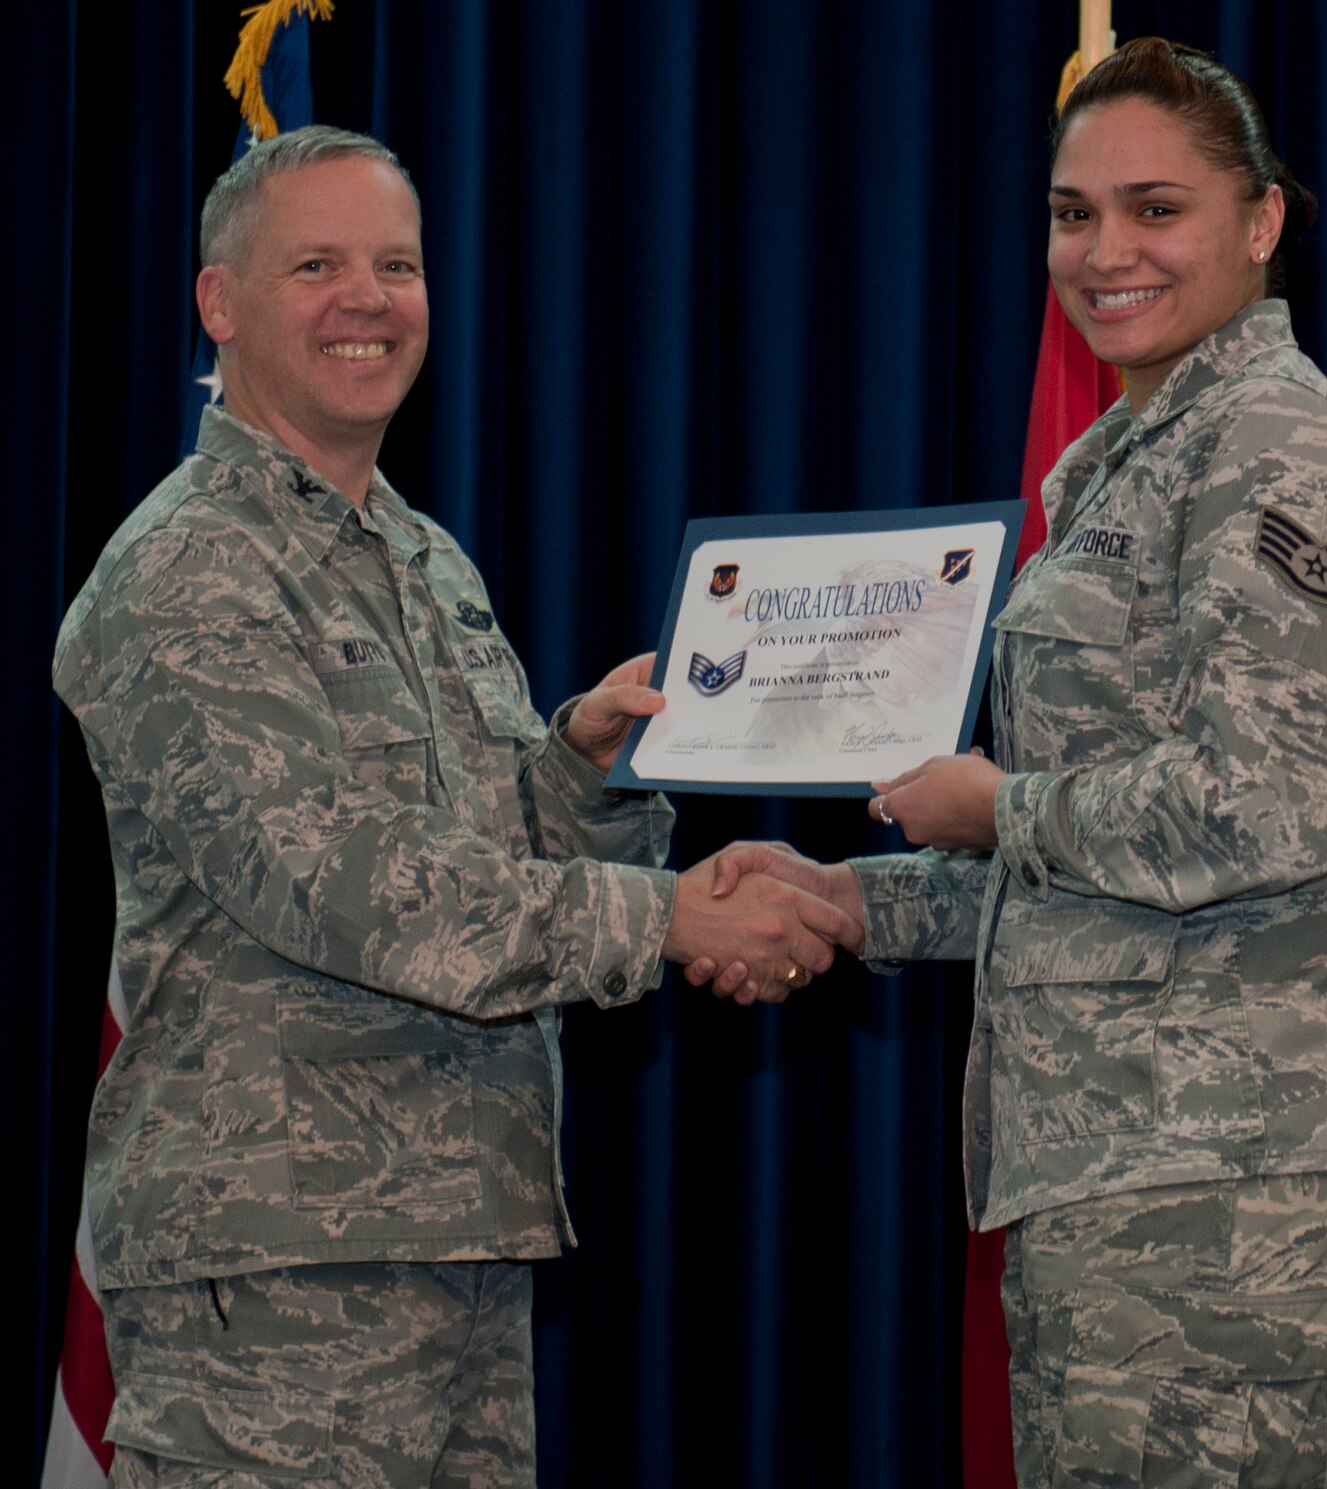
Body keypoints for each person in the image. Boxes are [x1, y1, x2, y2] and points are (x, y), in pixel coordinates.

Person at [52, 125, 857, 1487]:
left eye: (397, 264)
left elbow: (488, 858)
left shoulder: (427, 559)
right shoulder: (187, 572)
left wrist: (588, 774)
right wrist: (664, 915)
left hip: (460, 1244)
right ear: (219, 301)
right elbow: (338, 883)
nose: (368, 298)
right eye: (317, 263)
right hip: (277, 1270)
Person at [715, 38, 1327, 1487]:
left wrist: (998, 803)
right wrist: (848, 899)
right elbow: (1067, 860)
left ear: (1260, 223)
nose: (1107, 251)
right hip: (1134, 1166)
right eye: (1073, 213)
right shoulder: (1126, 457)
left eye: (1155, 210)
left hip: (1243, 1178)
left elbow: (1260, 802)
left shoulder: (1280, 452)